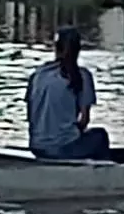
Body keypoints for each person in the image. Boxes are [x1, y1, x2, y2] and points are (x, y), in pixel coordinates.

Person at [25, 26, 110, 161]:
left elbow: (30, 116)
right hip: (61, 148)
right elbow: (84, 120)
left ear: (56, 48)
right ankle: (99, 172)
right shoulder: (81, 76)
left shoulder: (38, 74)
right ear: (78, 50)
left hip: (36, 146)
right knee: (100, 135)